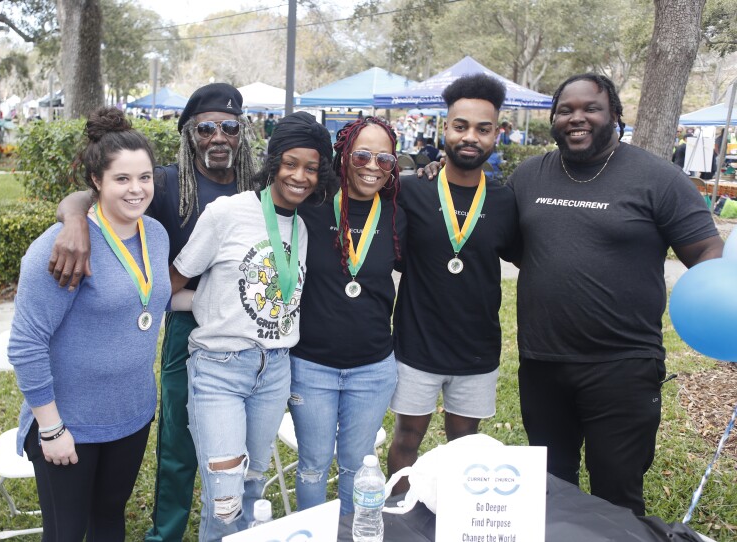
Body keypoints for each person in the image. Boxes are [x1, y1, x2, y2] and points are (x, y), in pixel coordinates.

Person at [49, 83, 256, 542]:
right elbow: (89, 195)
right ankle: (166, 534)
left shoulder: (255, 184)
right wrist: (74, 222)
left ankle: (237, 528)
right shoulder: (162, 181)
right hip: (188, 325)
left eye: (229, 127)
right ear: (189, 132)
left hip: (246, 331)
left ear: (242, 133)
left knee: (240, 446)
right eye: (206, 127)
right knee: (179, 445)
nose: (218, 137)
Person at [509, 73, 723, 516]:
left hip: (623, 366)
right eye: (565, 110)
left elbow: (706, 249)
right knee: (549, 493)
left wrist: (720, 298)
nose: (576, 118)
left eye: (590, 108)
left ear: (614, 116)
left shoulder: (657, 178)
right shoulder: (529, 176)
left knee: (617, 497)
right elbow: (502, 238)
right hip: (542, 363)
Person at [169, 111, 337, 541]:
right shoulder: (227, 212)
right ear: (273, 161)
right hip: (220, 369)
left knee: (251, 486)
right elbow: (174, 285)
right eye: (291, 163)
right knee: (224, 498)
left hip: (275, 370)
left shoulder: (301, 227)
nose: (300, 176)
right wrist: (207, 307)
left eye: (312, 168)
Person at [8, 107, 171, 541]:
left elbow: (153, 297)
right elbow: (26, 343)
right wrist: (52, 428)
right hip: (69, 423)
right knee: (67, 532)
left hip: (131, 415)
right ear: (96, 181)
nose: (136, 189)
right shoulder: (62, 247)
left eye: (145, 177)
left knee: (109, 522)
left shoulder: (155, 233)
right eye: (122, 179)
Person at [386, 74, 521, 495]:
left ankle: (457, 520)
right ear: (444, 128)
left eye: (483, 129)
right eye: (460, 125)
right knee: (406, 440)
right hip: (417, 344)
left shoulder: (505, 200)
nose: (470, 137)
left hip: (476, 348)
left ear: (497, 134)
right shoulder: (410, 191)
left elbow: (525, 255)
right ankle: (395, 515)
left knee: (465, 446)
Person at [289, 117, 405, 515]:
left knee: (358, 467)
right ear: (344, 154)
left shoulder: (397, 213)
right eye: (362, 155)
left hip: (373, 368)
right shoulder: (310, 205)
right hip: (311, 365)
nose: (373, 166)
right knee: (312, 467)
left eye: (385, 159)